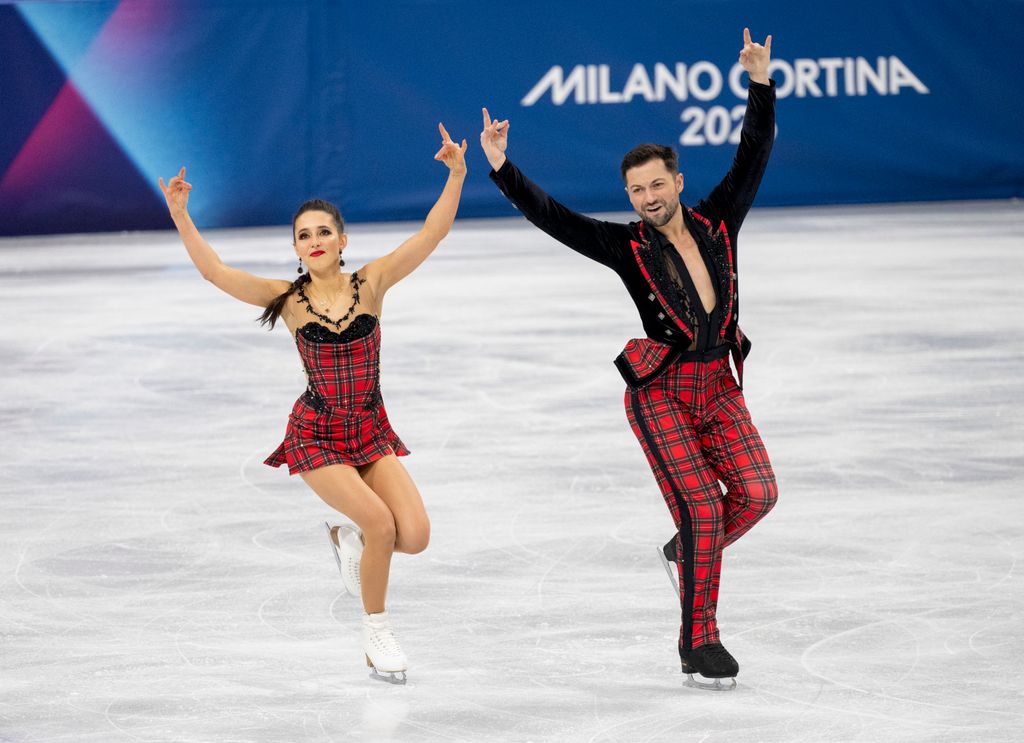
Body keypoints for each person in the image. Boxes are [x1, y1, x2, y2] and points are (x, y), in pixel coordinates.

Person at [480, 29, 778, 690]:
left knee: (758, 492)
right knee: (702, 508)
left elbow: (753, 155)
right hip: (661, 392)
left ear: (677, 180)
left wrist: (760, 83)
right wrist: (502, 166)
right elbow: (555, 217)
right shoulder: (626, 247)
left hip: (719, 386)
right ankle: (698, 642)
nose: (647, 196)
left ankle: (687, 554)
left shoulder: (720, 219)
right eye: (635, 189)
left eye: (656, 183)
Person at [158, 123, 468, 685]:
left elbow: (431, 234)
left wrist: (456, 174)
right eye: (305, 235)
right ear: (297, 248)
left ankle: (345, 538)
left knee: (414, 536)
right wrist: (181, 213)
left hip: (370, 428)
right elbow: (215, 272)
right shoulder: (288, 300)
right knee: (380, 524)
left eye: (325, 231)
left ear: (343, 240)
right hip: (317, 433)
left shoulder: (372, 284)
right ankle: (377, 632)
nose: (316, 240)